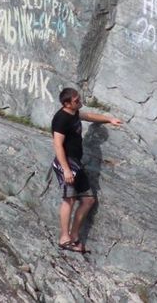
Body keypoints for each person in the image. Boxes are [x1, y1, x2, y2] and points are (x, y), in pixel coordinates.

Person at [51, 87, 122, 253]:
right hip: (67, 163)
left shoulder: (74, 113)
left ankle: (74, 235)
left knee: (88, 199)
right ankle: (64, 237)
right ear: (66, 103)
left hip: (76, 163)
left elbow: (88, 116)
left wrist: (109, 119)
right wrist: (66, 170)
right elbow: (57, 145)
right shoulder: (61, 119)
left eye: (79, 98)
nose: (79, 101)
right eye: (76, 100)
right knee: (69, 199)